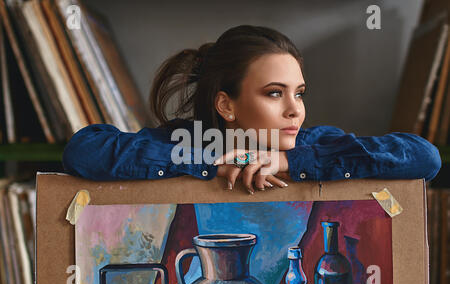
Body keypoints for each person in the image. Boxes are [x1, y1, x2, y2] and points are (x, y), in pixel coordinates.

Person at [62, 25, 442, 194]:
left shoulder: (315, 143)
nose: (295, 110)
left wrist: (288, 164)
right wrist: (212, 163)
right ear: (226, 104)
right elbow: (83, 150)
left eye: (300, 92)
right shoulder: (183, 141)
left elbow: (425, 157)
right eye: (275, 93)